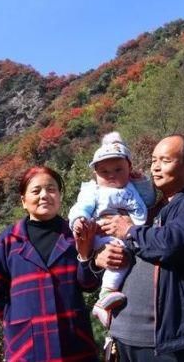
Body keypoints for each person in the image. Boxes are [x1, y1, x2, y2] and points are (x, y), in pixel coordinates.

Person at [97, 134, 184, 362]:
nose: (156, 167)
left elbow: (170, 244)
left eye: (165, 160)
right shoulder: (147, 210)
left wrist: (130, 231)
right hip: (122, 335)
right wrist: (99, 259)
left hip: (166, 342)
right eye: (153, 160)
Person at [0, 166, 100, 362]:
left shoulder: (75, 234)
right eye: (36, 191)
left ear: (60, 196)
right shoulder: (9, 240)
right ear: (23, 201)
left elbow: (89, 284)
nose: (45, 195)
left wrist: (86, 254)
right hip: (27, 347)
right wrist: (17, 319)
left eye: (51, 189)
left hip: (73, 341)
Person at [68, 132, 155, 327]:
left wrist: (141, 181)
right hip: (105, 236)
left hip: (130, 235)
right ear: (95, 174)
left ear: (129, 168)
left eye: (118, 169)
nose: (112, 175)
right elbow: (81, 207)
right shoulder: (94, 191)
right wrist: (79, 220)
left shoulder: (132, 187)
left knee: (125, 256)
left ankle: (108, 295)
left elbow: (148, 201)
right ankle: (106, 295)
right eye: (104, 172)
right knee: (118, 257)